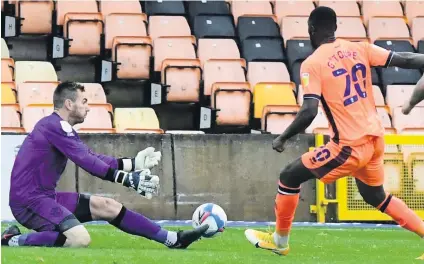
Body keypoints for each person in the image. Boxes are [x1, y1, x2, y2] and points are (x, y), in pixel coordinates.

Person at [244, 6, 424, 260]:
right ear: (336, 27)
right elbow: (404, 58)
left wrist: (283, 137)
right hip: (375, 140)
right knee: (376, 197)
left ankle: (279, 241)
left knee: (289, 176)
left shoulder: (313, 63)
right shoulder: (359, 48)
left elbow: (308, 111)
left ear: (311, 30)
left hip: (348, 146)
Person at [1, 81, 208, 248]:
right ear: (68, 104)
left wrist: (132, 163)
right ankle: (12, 240)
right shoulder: (54, 126)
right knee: (78, 240)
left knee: (107, 206)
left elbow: (91, 156)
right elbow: (88, 162)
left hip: (44, 197)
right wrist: (127, 179)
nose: (88, 107)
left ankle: (172, 239)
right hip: (29, 202)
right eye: (84, 101)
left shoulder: (57, 127)